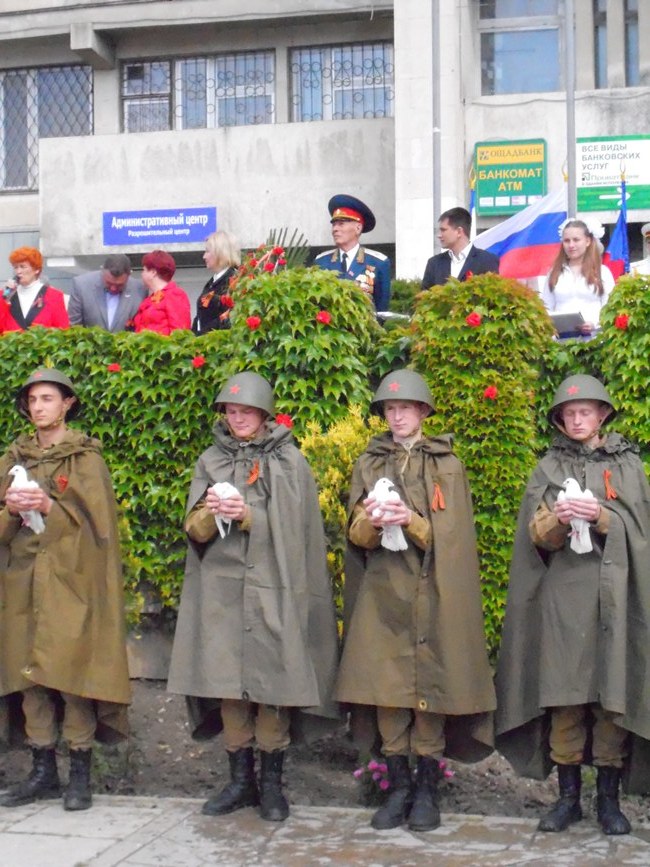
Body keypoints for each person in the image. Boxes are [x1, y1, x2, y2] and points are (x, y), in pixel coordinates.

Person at [167, 371, 338, 823]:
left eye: (247, 411)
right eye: (231, 411)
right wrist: (210, 511)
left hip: (274, 587)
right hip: (221, 591)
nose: (238, 418)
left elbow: (296, 527)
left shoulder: (289, 461)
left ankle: (271, 786)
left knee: (273, 685)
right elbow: (193, 529)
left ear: (264, 415)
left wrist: (248, 514)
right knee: (228, 685)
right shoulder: (211, 460)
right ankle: (239, 782)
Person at [335, 369, 495, 832]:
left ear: (424, 412)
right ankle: (397, 788)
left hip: (434, 592)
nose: (397, 415)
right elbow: (355, 533)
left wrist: (411, 520)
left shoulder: (447, 464)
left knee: (430, 690)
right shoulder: (370, 461)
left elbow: (455, 536)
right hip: (383, 592)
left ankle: (427, 790)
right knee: (386, 690)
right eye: (389, 408)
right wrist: (372, 518)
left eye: (406, 407)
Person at [495, 374, 650, 837]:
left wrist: (603, 517)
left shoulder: (628, 467)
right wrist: (558, 520)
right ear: (560, 420)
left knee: (609, 700)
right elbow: (535, 539)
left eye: (586, 411)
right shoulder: (547, 467)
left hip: (615, 599)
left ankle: (607, 801)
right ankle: (566, 800)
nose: (578, 419)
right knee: (565, 698)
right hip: (562, 600)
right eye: (570, 413)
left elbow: (641, 533)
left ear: (603, 414)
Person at [0, 368, 130, 811]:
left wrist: (48, 506)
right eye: (33, 400)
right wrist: (14, 511)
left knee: (73, 676)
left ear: (67, 403)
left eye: (48, 399)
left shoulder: (86, 459)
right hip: (22, 581)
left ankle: (79, 775)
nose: (38, 407)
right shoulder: (13, 458)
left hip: (72, 582)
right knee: (28, 675)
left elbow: (99, 531)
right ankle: (42, 773)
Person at [314, 194, 391, 311]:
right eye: (334, 224)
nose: (335, 229)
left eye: (341, 224)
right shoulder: (321, 262)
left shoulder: (378, 262)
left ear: (358, 228)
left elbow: (381, 308)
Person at [541, 218, 614, 336]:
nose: (571, 245)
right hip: (562, 338)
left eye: (576, 240)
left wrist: (595, 324)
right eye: (566, 240)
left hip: (595, 337)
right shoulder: (554, 272)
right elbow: (546, 306)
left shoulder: (602, 272)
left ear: (588, 241)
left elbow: (610, 307)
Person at [421, 207, 499, 290]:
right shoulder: (434, 263)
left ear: (459, 232)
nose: (439, 235)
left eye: (443, 230)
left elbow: (493, 297)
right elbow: (423, 299)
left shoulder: (487, 260)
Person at [68, 254, 146, 331]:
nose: (113, 288)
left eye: (119, 285)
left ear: (129, 275)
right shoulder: (81, 285)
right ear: (102, 270)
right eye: (109, 283)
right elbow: (74, 327)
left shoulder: (140, 290)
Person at [1, 247, 69, 333]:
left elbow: (63, 330)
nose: (18, 271)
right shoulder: (5, 295)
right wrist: (4, 301)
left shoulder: (54, 296)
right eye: (16, 267)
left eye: (23, 267)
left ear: (36, 269)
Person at [131, 250, 191, 334]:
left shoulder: (175, 294)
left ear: (153, 272)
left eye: (144, 270)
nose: (142, 274)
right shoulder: (151, 298)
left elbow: (180, 333)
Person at [192, 230, 240, 334]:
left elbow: (229, 319)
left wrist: (203, 334)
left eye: (207, 251)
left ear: (220, 252)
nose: (204, 256)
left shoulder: (234, 280)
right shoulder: (213, 282)